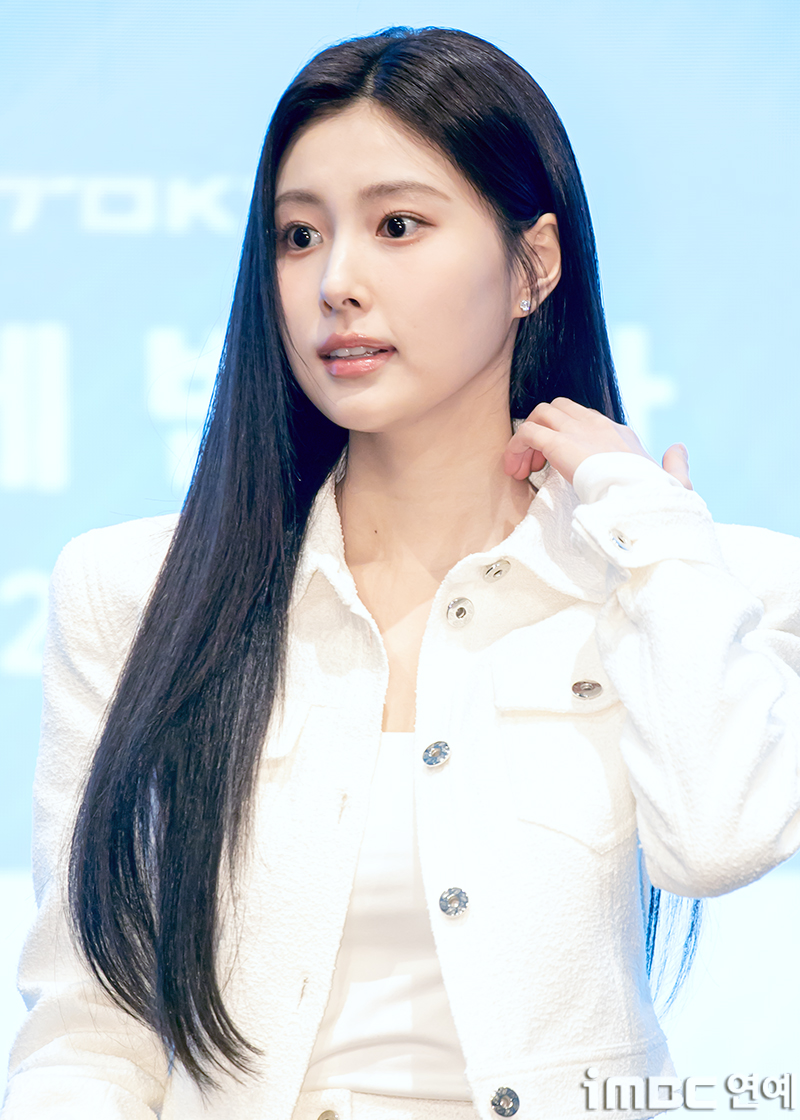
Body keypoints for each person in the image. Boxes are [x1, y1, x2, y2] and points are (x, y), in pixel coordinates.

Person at [3, 25, 800, 1120]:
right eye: (298, 236)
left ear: (532, 266)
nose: (337, 282)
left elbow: (717, 842)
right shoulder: (134, 595)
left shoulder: (695, 583)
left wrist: (651, 528)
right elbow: (87, 1033)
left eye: (396, 227)